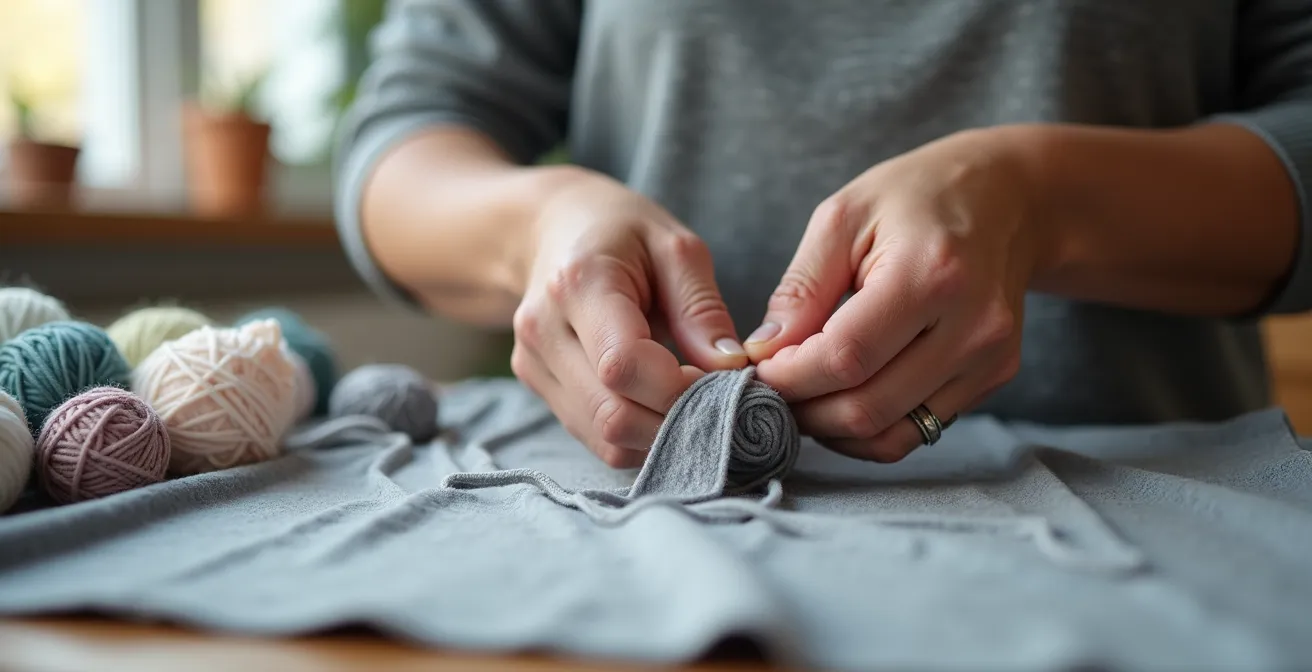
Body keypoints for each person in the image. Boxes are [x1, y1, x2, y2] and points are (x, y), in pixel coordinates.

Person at [334, 0, 1312, 468]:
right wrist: (538, 229)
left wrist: (1041, 201)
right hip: (634, 531)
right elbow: (405, 139)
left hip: (1152, 523)